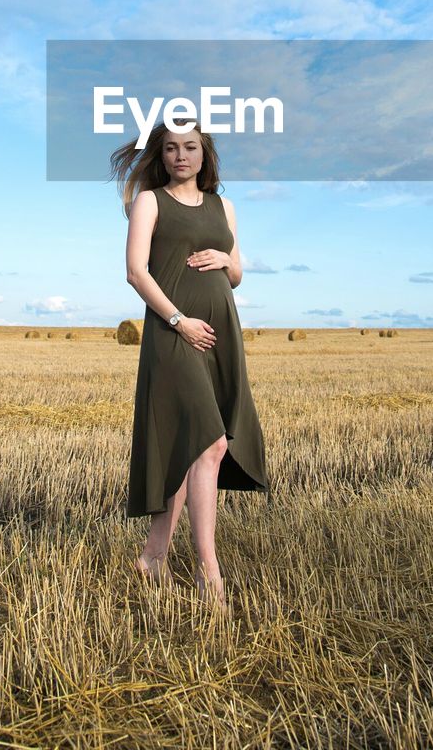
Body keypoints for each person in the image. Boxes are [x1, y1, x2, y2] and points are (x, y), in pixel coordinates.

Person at [110, 118, 270, 612]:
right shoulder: (150, 201)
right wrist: (179, 320)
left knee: (191, 444)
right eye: (173, 148)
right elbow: (136, 271)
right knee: (210, 441)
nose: (182, 156)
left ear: (205, 154)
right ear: (161, 154)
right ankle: (208, 571)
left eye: (191, 147)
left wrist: (226, 262)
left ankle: (154, 556)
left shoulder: (226, 206)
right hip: (174, 331)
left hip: (220, 333)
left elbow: (238, 272)